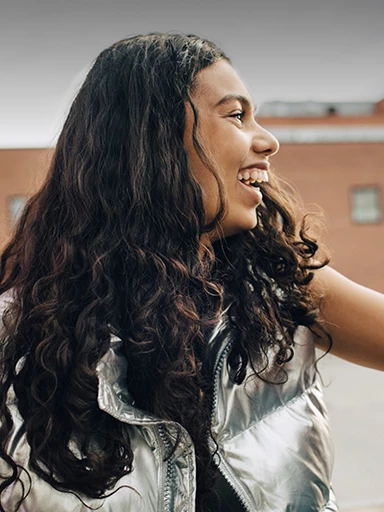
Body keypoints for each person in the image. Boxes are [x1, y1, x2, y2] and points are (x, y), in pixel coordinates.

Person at [0, 33, 383, 512]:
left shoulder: (279, 286)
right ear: (154, 141)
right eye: (236, 115)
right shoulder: (16, 332)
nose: (268, 140)